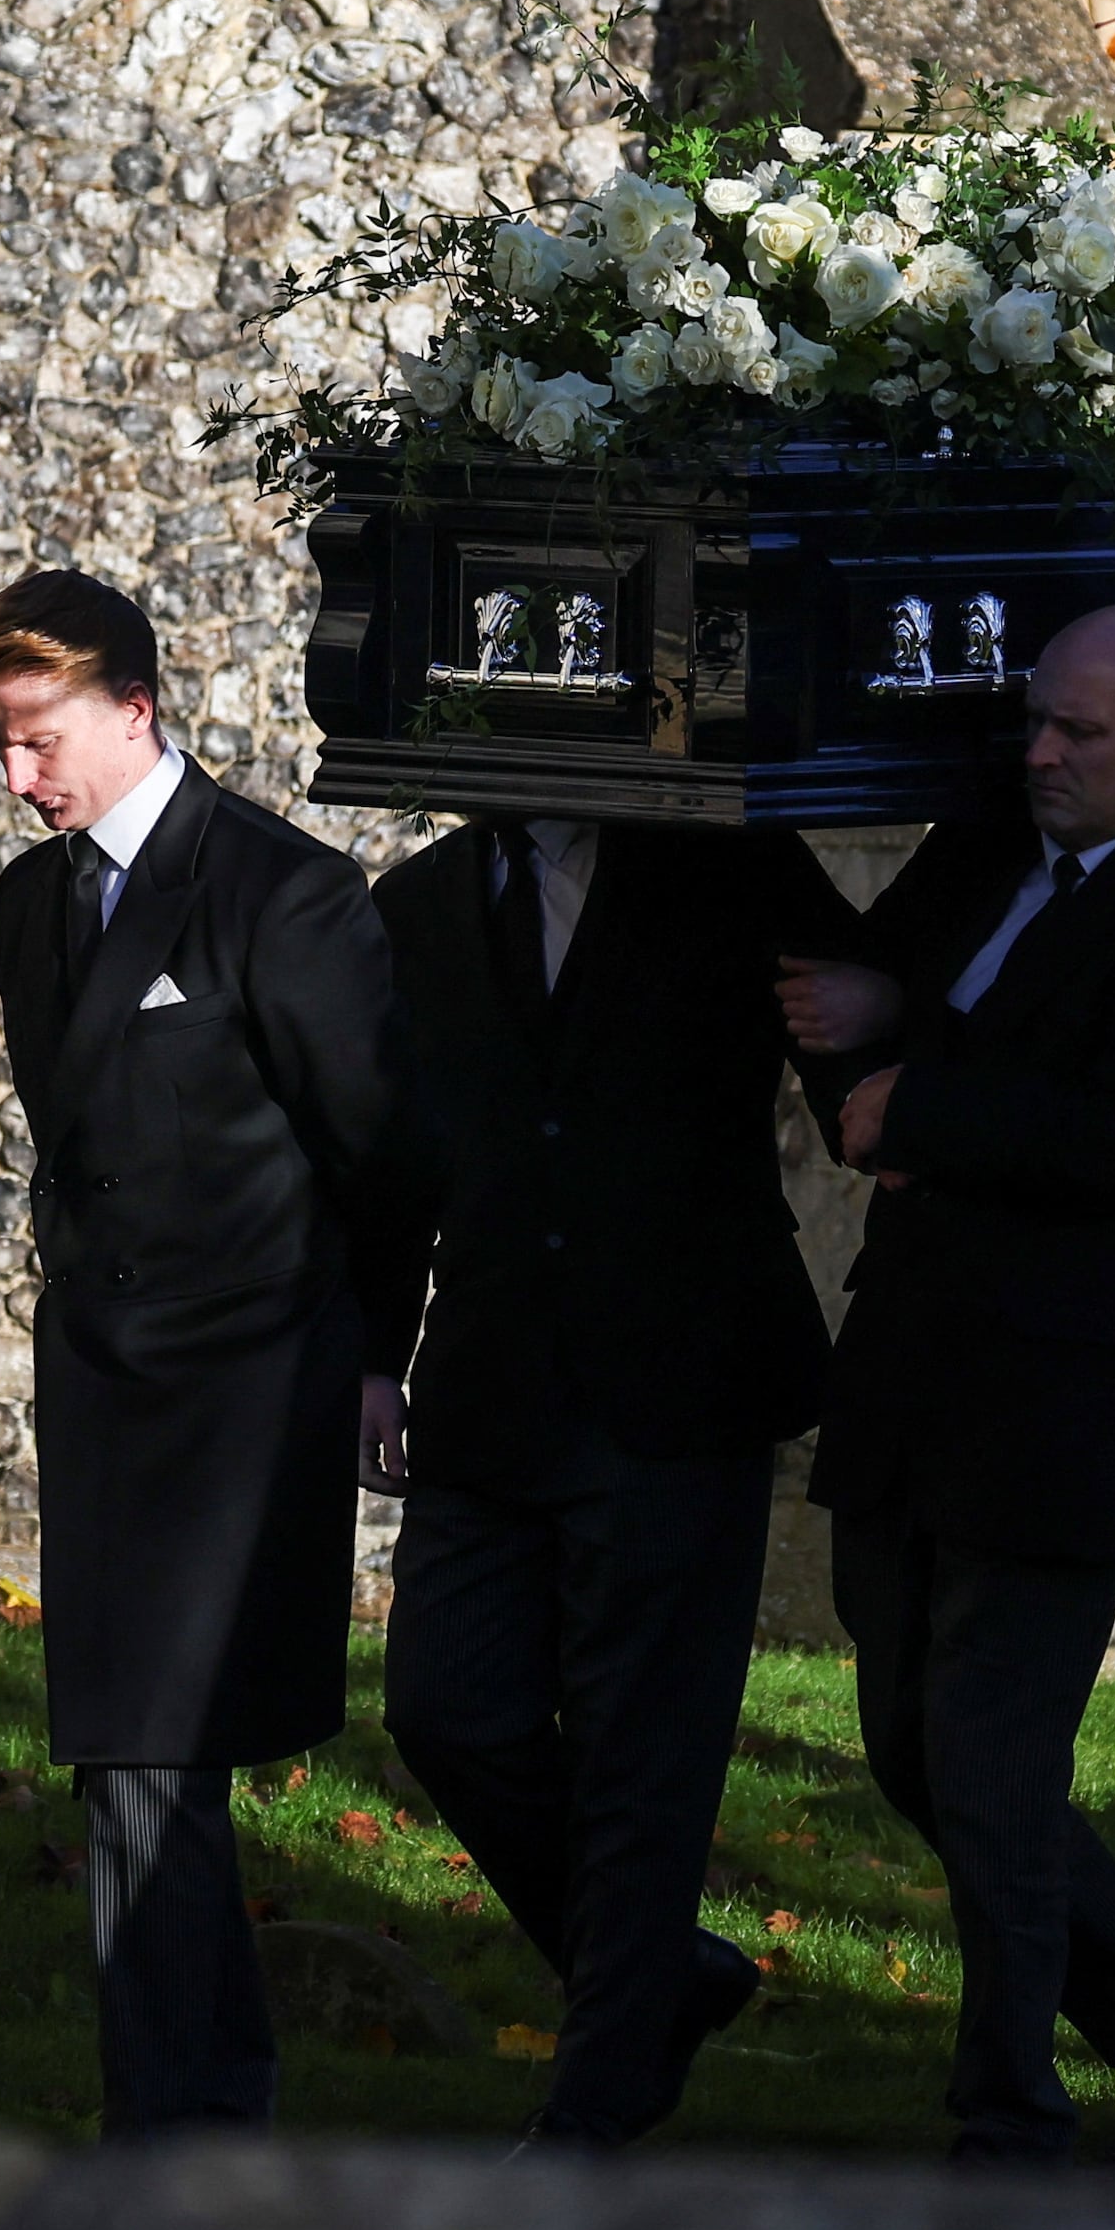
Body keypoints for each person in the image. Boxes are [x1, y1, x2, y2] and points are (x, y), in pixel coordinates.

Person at [774, 606, 1115, 2165]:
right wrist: (880, 1036)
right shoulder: (998, 837)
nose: (1042, 754)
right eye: (1037, 725)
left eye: (1079, 733)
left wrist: (915, 1086)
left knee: (996, 1757)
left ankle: (1009, 2108)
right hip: (919, 1360)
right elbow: (886, 1031)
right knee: (910, 1739)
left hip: (1064, 1386)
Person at [0, 568, 404, 2138]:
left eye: (37, 741)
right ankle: (198, 2110)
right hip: (105, 1376)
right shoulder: (31, 902)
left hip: (244, 1384)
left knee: (153, 1751)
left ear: (134, 708)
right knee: (130, 1762)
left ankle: (180, 2126)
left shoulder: (283, 895)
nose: (17, 779)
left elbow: (377, 1153)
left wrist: (378, 1357)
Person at [363, 813, 858, 2148]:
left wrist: (887, 1016)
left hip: (682, 1375)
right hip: (490, 1377)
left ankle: (600, 2098)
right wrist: (371, 1355)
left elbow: (861, 1075)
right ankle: (660, 1979)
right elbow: (393, 1151)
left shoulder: (734, 864)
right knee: (445, 1705)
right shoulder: (421, 901)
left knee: (646, 1753)